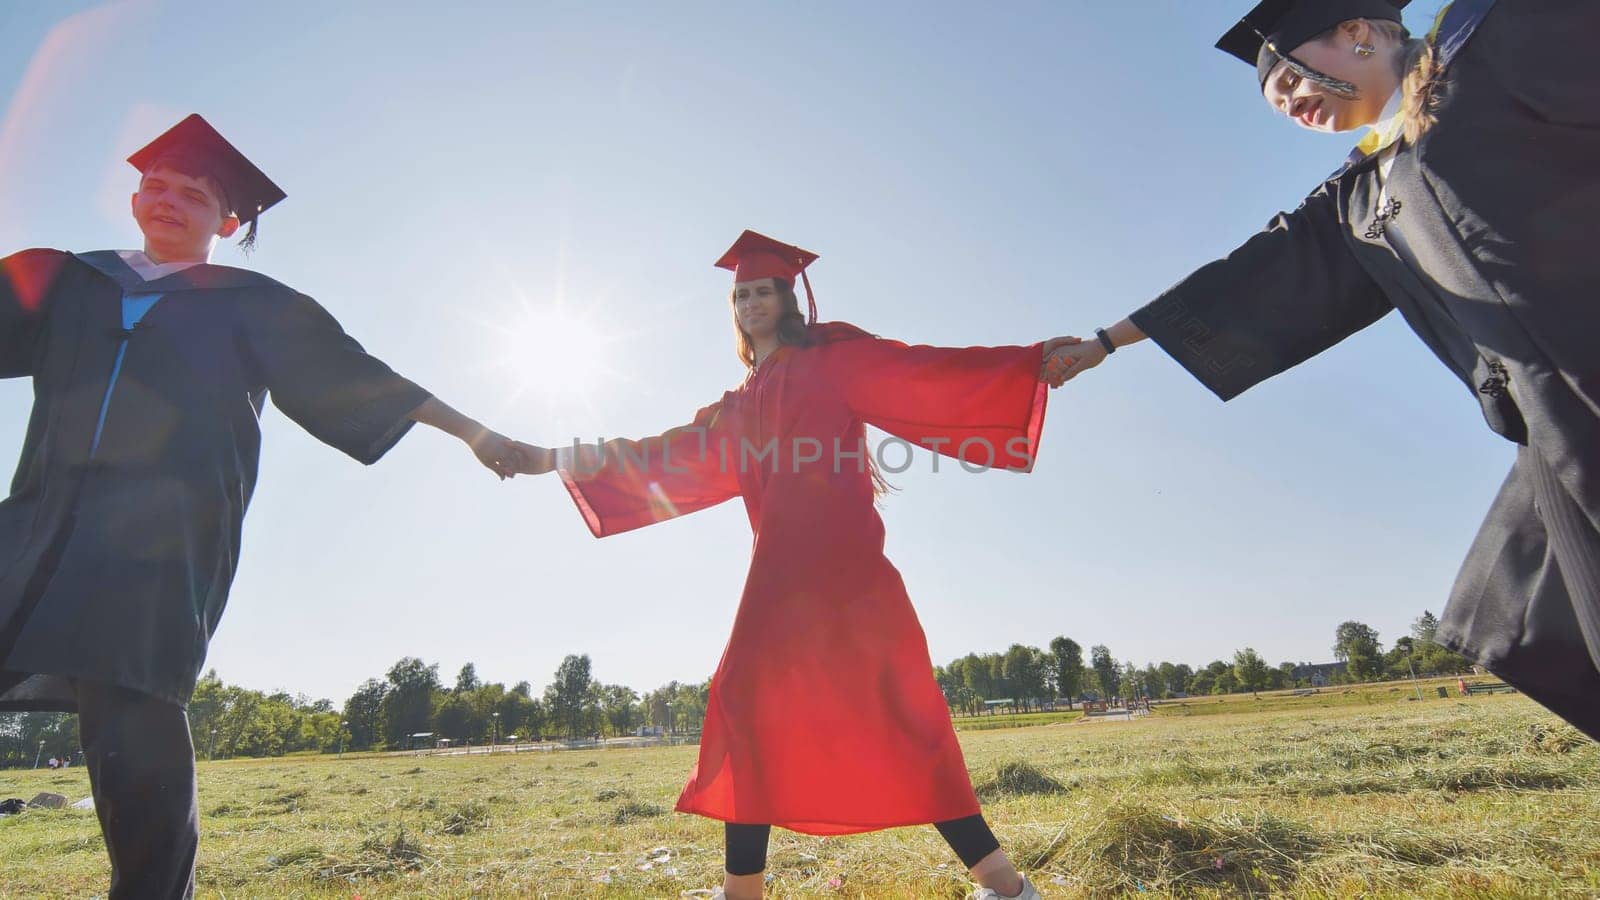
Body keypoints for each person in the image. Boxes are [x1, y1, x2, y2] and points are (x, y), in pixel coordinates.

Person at [0, 114, 525, 898]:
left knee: (134, 728)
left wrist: (474, 433)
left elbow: (362, 377)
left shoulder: (254, 303)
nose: (166, 199)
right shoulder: (66, 279)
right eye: (154, 184)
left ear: (232, 219)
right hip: (34, 527)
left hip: (156, 554)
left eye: (192, 193)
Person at [1044, 0, 1600, 737]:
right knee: (1543, 617)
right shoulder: (1359, 195)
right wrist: (1106, 343)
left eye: (1291, 83)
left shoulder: (1496, 45)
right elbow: (1257, 268)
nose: (1289, 107)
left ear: (1359, 33)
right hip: (1554, 423)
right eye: (1276, 103)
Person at [514, 231, 1073, 899]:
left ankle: (1006, 887)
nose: (751, 302)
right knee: (749, 708)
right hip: (779, 579)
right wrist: (556, 455)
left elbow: (921, 370)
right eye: (740, 294)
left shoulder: (832, 359)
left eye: (762, 291)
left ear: (788, 297)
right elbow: (665, 453)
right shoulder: (741, 403)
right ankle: (745, 893)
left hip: (847, 573)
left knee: (902, 717)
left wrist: (1030, 362)